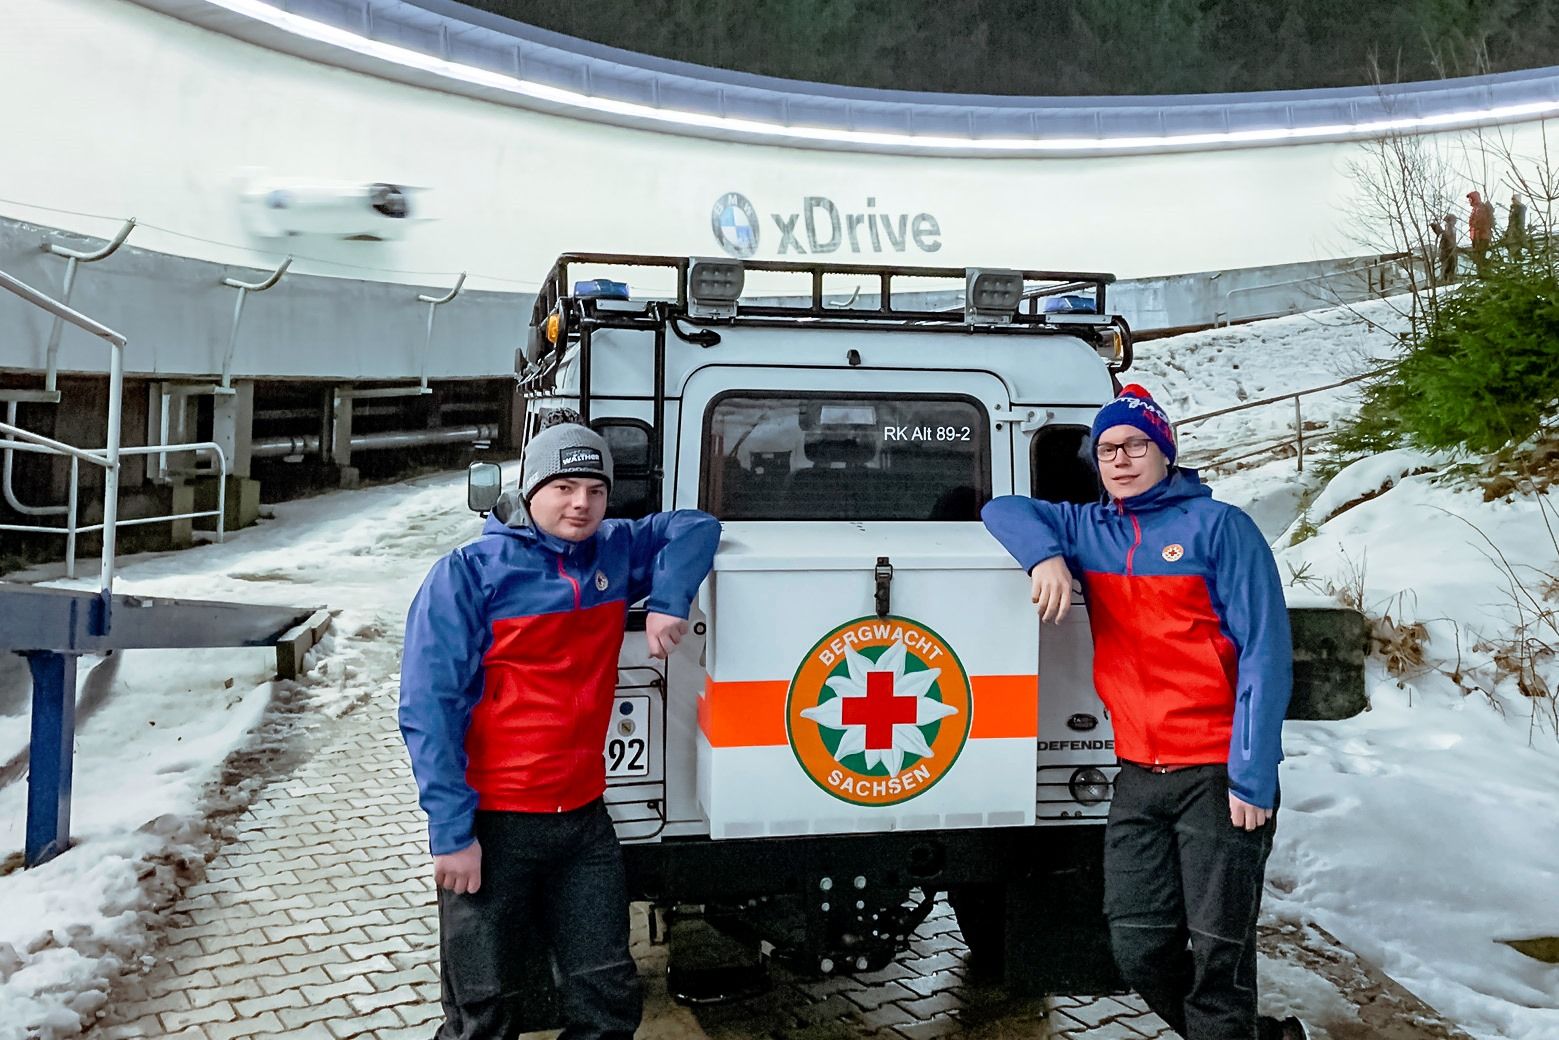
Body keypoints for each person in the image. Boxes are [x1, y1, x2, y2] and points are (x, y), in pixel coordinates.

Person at [982, 385, 1304, 1040]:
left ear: (1164, 451)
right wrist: (1043, 556)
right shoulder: (1090, 529)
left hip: (1214, 772)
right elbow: (1002, 507)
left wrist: (1252, 773)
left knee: (1218, 956)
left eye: (1134, 445)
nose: (1120, 459)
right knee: (1138, 948)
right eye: (1106, 449)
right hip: (1136, 773)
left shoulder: (1219, 528)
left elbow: (1266, 654)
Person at [400, 411, 721, 1040]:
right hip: (494, 827)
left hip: (583, 825)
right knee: (483, 1013)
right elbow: (428, 712)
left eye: (596, 490)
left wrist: (665, 601)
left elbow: (696, 526)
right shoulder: (467, 574)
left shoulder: (613, 549)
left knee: (606, 1001)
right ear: (530, 489)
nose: (581, 504)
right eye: (564, 488)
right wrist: (451, 833)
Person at [1467, 190, 1496, 273]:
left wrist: (1473, 225)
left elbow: (1479, 222)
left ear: (1474, 198)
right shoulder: (1475, 209)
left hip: (1481, 237)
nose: (1469, 201)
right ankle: (1482, 272)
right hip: (1477, 237)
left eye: (1470, 199)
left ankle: (1483, 273)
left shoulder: (1480, 208)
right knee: (1478, 256)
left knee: (1480, 257)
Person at [1435, 214, 1459, 284]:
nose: (1455, 221)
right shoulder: (1448, 228)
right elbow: (1448, 239)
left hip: (1450, 250)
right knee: (1447, 266)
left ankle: (1450, 279)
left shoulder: (1452, 228)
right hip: (1447, 251)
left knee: (1451, 266)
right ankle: (1446, 281)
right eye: (1454, 220)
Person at [1504, 193, 1528, 261]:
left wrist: (1521, 233)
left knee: (1515, 248)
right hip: (1511, 232)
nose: (1513, 201)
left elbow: (1521, 222)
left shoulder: (1520, 208)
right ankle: (1515, 263)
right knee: (1511, 247)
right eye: (1512, 199)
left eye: (1514, 199)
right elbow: (1510, 222)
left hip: (1515, 232)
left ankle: (1517, 263)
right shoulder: (1512, 208)